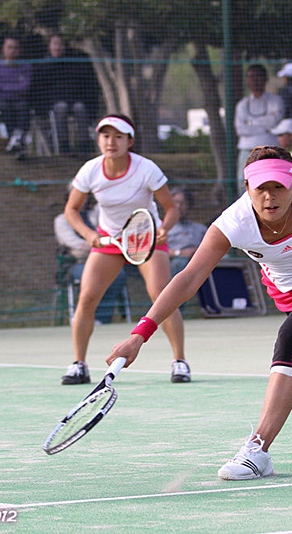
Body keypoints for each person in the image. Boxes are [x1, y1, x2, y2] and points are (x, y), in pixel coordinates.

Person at [106, 108, 292, 480]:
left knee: (290, 340)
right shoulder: (233, 223)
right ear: (247, 189)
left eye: (279, 187)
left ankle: (257, 450)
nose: (270, 196)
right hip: (286, 285)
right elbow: (189, 278)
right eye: (261, 188)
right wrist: (140, 334)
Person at [61, 114, 190, 385]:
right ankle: (79, 364)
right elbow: (71, 210)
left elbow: (171, 208)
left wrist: (165, 228)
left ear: (129, 141)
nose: (111, 142)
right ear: (99, 140)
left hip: (146, 238)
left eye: (118, 137)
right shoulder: (90, 170)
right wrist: (90, 234)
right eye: (105, 136)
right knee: (87, 298)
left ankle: (179, 361)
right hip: (109, 239)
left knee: (161, 295)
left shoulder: (146, 169)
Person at [54, 191, 127, 324]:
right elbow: (74, 243)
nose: (81, 198)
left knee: (119, 275)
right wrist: (94, 243)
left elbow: (107, 210)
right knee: (92, 278)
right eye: (77, 194)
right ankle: (84, 318)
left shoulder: (94, 214)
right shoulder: (61, 220)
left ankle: (102, 319)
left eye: (85, 195)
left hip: (101, 260)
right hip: (75, 264)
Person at [29, 34, 100, 154]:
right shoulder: (42, 65)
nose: (58, 47)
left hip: (75, 100)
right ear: (49, 46)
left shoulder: (74, 63)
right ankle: (64, 146)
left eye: (60, 44)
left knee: (80, 108)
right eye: (55, 44)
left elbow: (86, 85)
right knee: (61, 108)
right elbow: (39, 90)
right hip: (53, 103)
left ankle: (85, 145)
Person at [235, 64, 284, 193]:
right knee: (244, 185)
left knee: (269, 184)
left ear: (265, 78)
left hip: (269, 149)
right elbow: (240, 129)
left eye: (258, 76)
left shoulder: (276, 100)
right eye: (251, 77)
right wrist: (264, 125)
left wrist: (251, 123)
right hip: (246, 149)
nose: (254, 80)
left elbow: (273, 122)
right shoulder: (242, 104)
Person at [166, 187, 207, 276]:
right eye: (176, 202)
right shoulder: (163, 230)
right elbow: (159, 252)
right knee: (180, 262)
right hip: (174, 266)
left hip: (199, 263)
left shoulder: (200, 229)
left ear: (189, 206)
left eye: (182, 203)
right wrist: (180, 253)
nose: (179, 206)